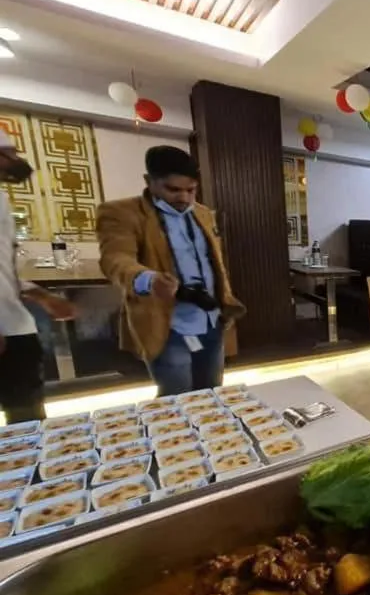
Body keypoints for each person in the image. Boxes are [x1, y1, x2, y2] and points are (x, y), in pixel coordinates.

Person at [97, 146, 245, 396]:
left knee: (211, 394)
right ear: (149, 181)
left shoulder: (203, 214)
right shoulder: (121, 213)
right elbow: (115, 258)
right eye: (173, 190)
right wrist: (148, 279)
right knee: (177, 398)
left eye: (191, 190)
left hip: (211, 319)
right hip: (167, 324)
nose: (184, 198)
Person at [0, 132, 76, 423]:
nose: (15, 162)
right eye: (9, 154)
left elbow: (4, 267)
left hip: (16, 327)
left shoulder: (2, 199)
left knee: (27, 413)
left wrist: (40, 295)